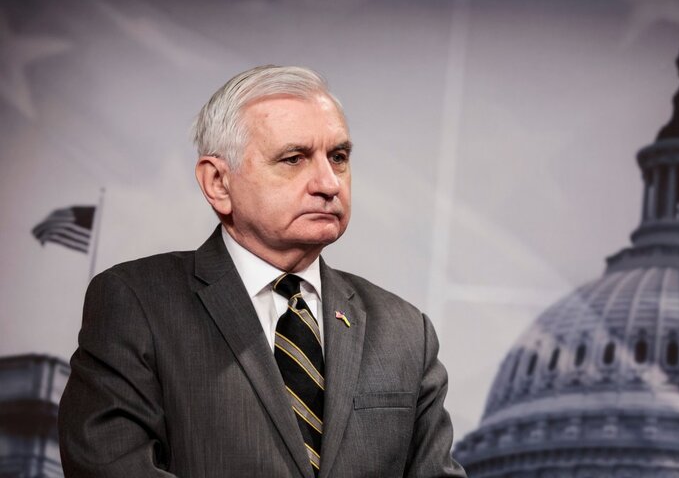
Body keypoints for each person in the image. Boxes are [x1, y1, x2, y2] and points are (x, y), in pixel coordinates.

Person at [58, 65, 466, 478]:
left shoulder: (405, 331)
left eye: (338, 158)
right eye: (294, 159)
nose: (329, 184)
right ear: (218, 182)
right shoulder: (137, 303)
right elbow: (111, 467)